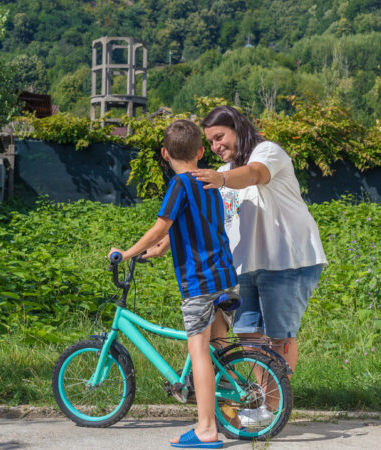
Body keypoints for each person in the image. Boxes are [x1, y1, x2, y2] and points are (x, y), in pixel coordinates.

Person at [192, 105, 328, 427]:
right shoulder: (225, 172)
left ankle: (272, 409)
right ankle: (262, 408)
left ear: (237, 128)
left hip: (288, 260)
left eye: (220, 137)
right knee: (250, 338)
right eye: (210, 142)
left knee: (278, 337)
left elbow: (253, 174)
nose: (216, 146)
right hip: (249, 265)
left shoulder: (268, 152)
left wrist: (222, 177)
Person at [109, 119, 237, 449]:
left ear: (165, 154)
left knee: (200, 356)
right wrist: (162, 248)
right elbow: (200, 226)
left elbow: (160, 225)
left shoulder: (179, 185)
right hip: (224, 277)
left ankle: (206, 428)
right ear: (199, 151)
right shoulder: (210, 184)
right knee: (218, 350)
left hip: (199, 283)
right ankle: (230, 412)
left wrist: (127, 253)